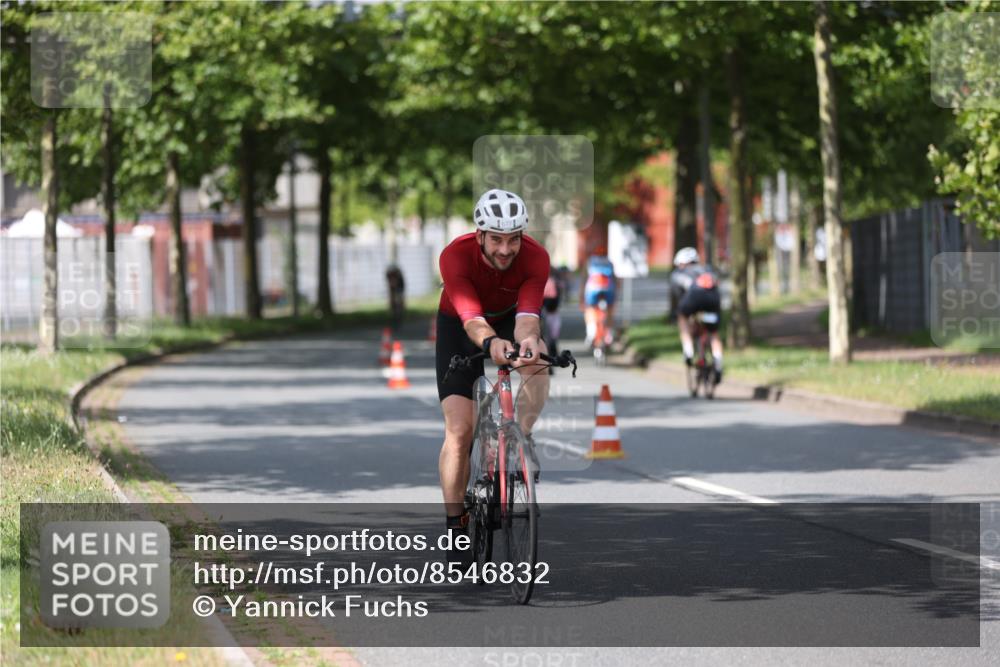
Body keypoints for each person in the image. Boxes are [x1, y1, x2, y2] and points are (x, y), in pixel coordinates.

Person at [435, 188, 550, 562]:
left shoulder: (536, 257)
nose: (505, 249)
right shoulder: (455, 255)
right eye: (497, 239)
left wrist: (528, 342)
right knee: (459, 432)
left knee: (539, 360)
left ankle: (522, 437)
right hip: (461, 325)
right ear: (480, 234)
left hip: (509, 319)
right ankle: (456, 524)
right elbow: (472, 318)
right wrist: (490, 344)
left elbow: (528, 315)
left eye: (513, 239)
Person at [670, 246, 723, 383]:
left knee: (682, 317)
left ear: (681, 263)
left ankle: (688, 351)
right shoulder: (708, 269)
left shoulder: (678, 273)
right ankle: (718, 361)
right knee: (713, 332)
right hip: (713, 299)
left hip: (693, 299)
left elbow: (679, 296)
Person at [580, 245, 618, 347]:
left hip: (592, 290)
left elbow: (584, 280)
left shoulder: (590, 262)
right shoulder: (609, 262)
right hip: (609, 290)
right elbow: (615, 281)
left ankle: (591, 332)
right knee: (610, 309)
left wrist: (581, 298)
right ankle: (609, 334)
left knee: (589, 309)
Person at [385, 264, 405, 331]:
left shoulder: (399, 277)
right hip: (393, 288)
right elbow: (390, 286)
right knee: (392, 302)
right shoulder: (388, 275)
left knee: (399, 301)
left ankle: (399, 316)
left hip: (400, 287)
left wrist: (400, 300)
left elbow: (401, 288)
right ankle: (393, 316)